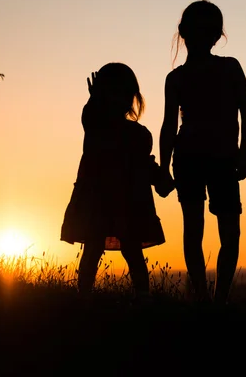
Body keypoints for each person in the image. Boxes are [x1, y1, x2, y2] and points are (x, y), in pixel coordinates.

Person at [159, 0, 246, 304]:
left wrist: (245, 154)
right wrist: (244, 153)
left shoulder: (184, 77)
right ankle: (211, 300)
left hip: (208, 158)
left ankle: (212, 299)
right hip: (209, 158)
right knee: (219, 231)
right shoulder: (217, 70)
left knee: (201, 231)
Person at [61, 62, 173, 300]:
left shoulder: (137, 135)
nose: (118, 99)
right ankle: (85, 296)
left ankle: (140, 296)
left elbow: (144, 164)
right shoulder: (97, 128)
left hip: (126, 203)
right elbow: (89, 118)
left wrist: (160, 178)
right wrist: (94, 100)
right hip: (102, 201)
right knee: (94, 248)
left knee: (128, 250)